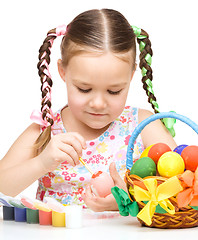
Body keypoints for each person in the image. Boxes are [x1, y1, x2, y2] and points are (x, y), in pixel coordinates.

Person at [0, 9, 176, 214]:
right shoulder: (45, 129)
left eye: (114, 91)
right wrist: (42, 162)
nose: (99, 103)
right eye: (84, 89)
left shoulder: (143, 126)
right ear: (63, 72)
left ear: (130, 76)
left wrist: (132, 199)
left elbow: (183, 186)